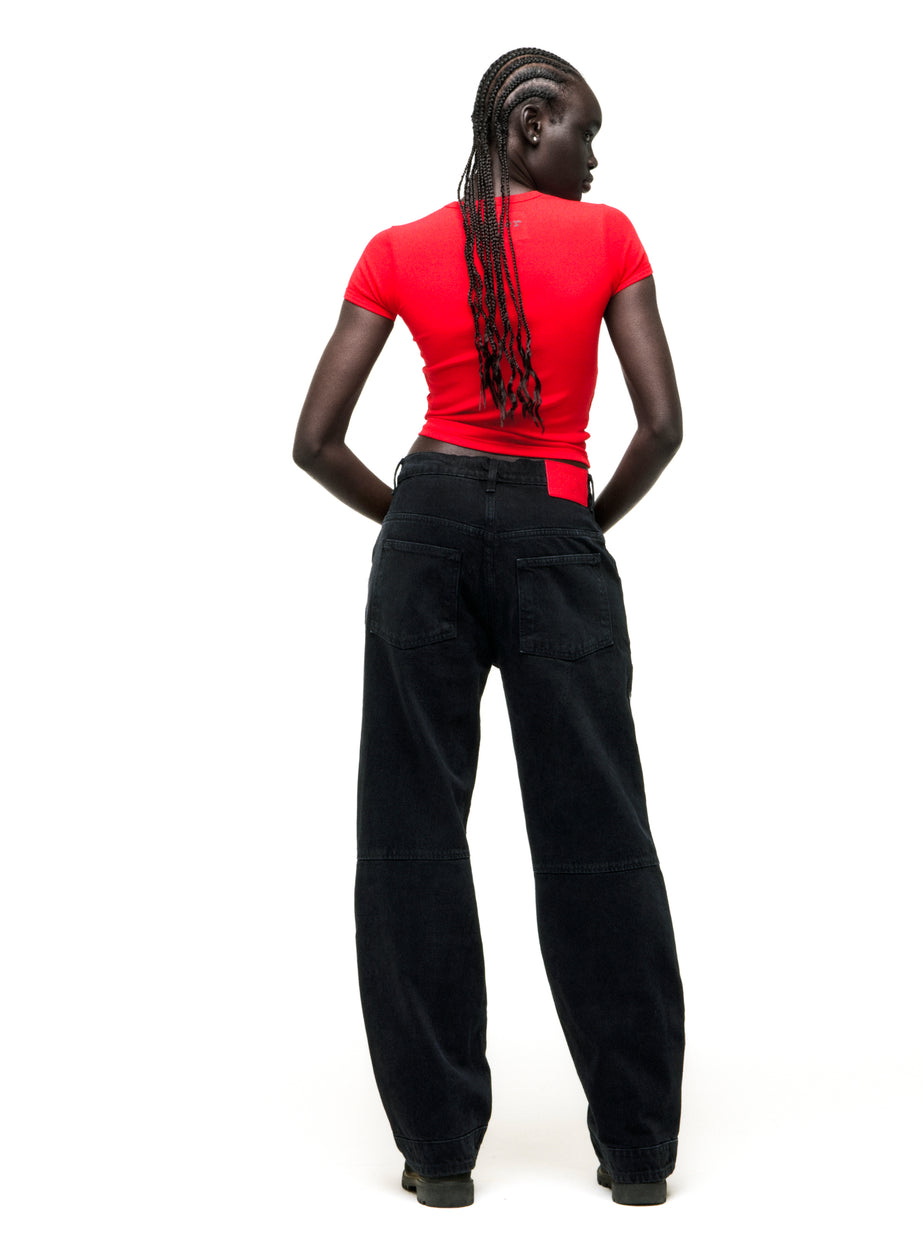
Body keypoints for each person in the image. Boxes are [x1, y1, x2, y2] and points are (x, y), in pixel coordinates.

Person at [293, 47, 685, 1209]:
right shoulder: (609, 236)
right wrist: (580, 523)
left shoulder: (397, 248)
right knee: (598, 830)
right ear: (529, 123)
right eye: (583, 132)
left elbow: (315, 438)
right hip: (559, 526)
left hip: (426, 527)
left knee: (411, 832)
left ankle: (438, 1155)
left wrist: (412, 512)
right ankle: (636, 1155)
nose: (596, 155)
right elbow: (663, 424)